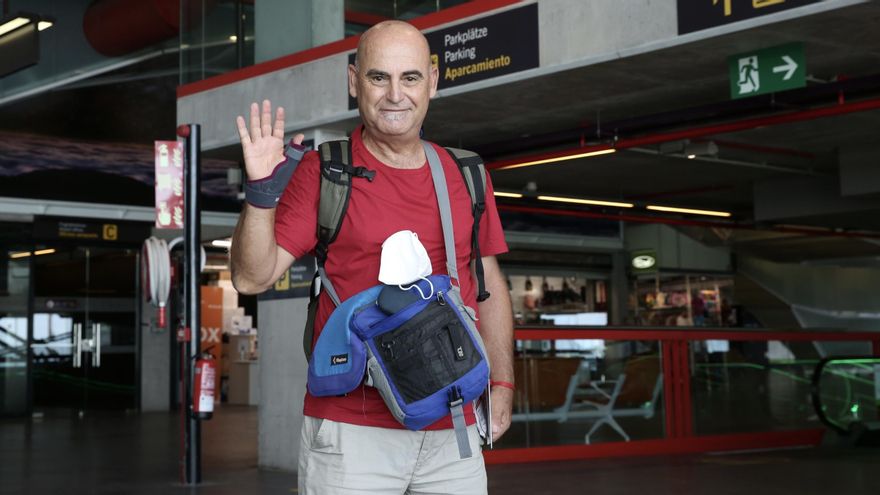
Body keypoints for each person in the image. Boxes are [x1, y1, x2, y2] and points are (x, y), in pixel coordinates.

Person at [230, 20, 514, 495]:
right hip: (351, 433)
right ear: (353, 81)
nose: (394, 95)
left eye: (410, 78)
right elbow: (250, 278)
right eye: (378, 77)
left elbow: (488, 283)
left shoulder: (465, 175)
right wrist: (261, 194)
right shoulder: (327, 172)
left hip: (454, 429)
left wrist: (502, 383)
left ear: (433, 81)